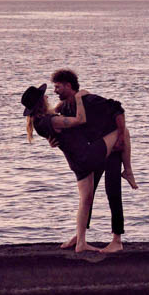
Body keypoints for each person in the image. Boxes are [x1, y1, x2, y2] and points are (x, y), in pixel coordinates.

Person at [22, 83, 124, 255]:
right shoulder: (51, 120)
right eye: (44, 96)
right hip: (87, 155)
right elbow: (80, 120)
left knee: (86, 199)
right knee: (120, 131)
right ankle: (128, 170)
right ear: (41, 102)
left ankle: (80, 241)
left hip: (77, 161)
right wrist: (77, 98)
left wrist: (65, 101)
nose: (48, 97)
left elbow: (55, 117)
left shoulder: (40, 121)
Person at [49, 68, 136, 252]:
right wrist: (54, 141)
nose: (54, 91)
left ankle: (117, 240)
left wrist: (120, 137)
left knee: (112, 190)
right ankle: (81, 236)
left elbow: (118, 109)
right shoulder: (67, 106)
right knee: (88, 195)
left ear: (68, 86)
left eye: (57, 87)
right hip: (95, 150)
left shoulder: (89, 100)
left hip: (111, 148)